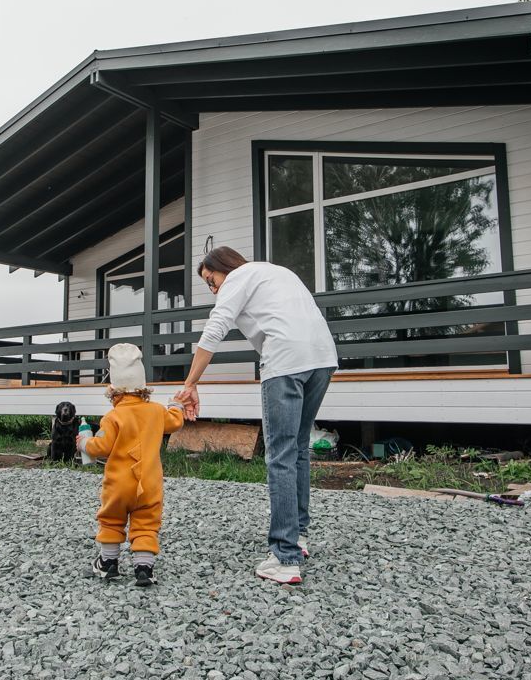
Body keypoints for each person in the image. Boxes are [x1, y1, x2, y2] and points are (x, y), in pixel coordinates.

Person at [176, 246, 337, 585]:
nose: (213, 288)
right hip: (323, 358)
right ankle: (298, 537)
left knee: (279, 456)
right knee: (297, 450)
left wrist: (190, 383)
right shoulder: (276, 272)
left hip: (286, 361)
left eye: (211, 279)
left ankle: (284, 556)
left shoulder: (238, 277)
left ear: (224, 268)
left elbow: (215, 327)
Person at [78, 342, 186, 587]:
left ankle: (108, 563)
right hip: (148, 483)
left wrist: (84, 443)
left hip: (118, 484)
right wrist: (176, 405)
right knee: (147, 522)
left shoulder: (113, 417)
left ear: (113, 392)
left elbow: (102, 447)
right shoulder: (157, 411)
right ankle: (144, 567)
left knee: (111, 520)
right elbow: (175, 422)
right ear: (143, 389)